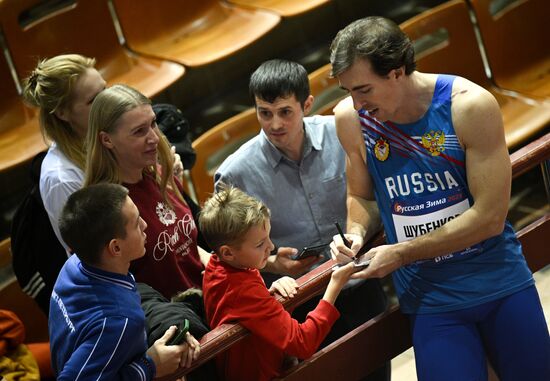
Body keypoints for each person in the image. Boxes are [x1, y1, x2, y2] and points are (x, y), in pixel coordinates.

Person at [329, 16, 550, 381]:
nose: (355, 103)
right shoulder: (352, 122)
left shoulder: (469, 106)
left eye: (363, 89)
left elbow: (489, 217)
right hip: (431, 299)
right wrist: (355, 231)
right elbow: (361, 196)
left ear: (397, 72)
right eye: (347, 91)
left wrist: (401, 252)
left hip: (497, 280)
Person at [214, 60, 389, 379]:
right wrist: (270, 264)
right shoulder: (233, 174)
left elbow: (375, 198)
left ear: (306, 104)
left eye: (284, 111)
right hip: (302, 301)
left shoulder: (341, 133)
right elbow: (229, 257)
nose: (274, 123)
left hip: (361, 282)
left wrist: (357, 233)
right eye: (264, 112)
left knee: (379, 371)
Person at [199, 185, 358, 381]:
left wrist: (268, 294)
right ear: (228, 252)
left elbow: (244, 311)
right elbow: (303, 343)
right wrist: (335, 283)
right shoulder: (242, 289)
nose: (271, 247)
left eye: (268, 238)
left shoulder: (219, 265)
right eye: (260, 244)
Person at [49, 183, 200, 380]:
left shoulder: (73, 265)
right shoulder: (119, 322)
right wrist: (149, 366)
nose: (146, 225)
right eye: (137, 223)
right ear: (116, 248)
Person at [85, 84, 210, 302]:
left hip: (209, 299)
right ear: (107, 140)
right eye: (139, 131)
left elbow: (188, 248)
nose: (153, 137)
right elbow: (120, 293)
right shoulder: (105, 210)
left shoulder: (161, 173)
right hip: (174, 324)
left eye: (153, 124)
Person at [22, 54, 106, 250]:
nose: (108, 101)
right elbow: (92, 254)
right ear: (62, 113)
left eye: (105, 89)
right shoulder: (62, 180)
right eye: (94, 100)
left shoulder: (106, 133)